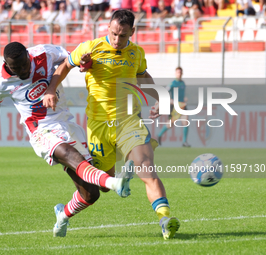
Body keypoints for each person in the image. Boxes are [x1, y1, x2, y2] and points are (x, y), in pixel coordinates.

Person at [43, 10, 180, 240]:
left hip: (129, 121)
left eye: (123, 36)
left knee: (146, 165)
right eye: (114, 34)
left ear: (132, 33)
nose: (117, 40)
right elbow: (65, 66)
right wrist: (50, 89)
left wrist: (162, 99)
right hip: (98, 126)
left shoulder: (136, 53)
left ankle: (165, 219)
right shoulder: (90, 48)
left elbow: (143, 76)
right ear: (108, 27)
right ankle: (68, 209)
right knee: (103, 186)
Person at [0, 42, 133, 237]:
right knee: (70, 154)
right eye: (14, 68)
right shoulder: (1, 81)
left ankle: (63, 215)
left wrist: (83, 63)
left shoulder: (45, 53)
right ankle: (115, 183)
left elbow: (69, 59)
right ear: (6, 64)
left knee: (93, 193)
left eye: (23, 65)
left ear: (28, 56)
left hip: (66, 124)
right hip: (41, 131)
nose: (21, 71)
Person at [157, 67, 191, 147]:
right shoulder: (172, 83)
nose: (179, 74)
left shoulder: (183, 83)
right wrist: (170, 100)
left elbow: (182, 94)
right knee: (170, 124)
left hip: (182, 105)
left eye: (180, 72)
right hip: (175, 106)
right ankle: (159, 135)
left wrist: (184, 98)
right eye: (178, 72)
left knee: (186, 122)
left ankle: (184, 142)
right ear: (175, 73)